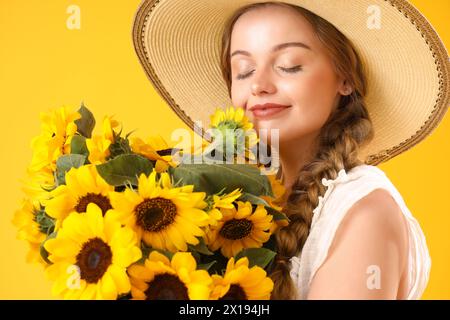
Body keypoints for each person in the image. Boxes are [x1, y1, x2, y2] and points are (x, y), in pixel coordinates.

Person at [133, 0, 450, 299]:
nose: (258, 85)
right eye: (243, 70)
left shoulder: (365, 213)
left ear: (345, 79)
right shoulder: (236, 203)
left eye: (289, 65)